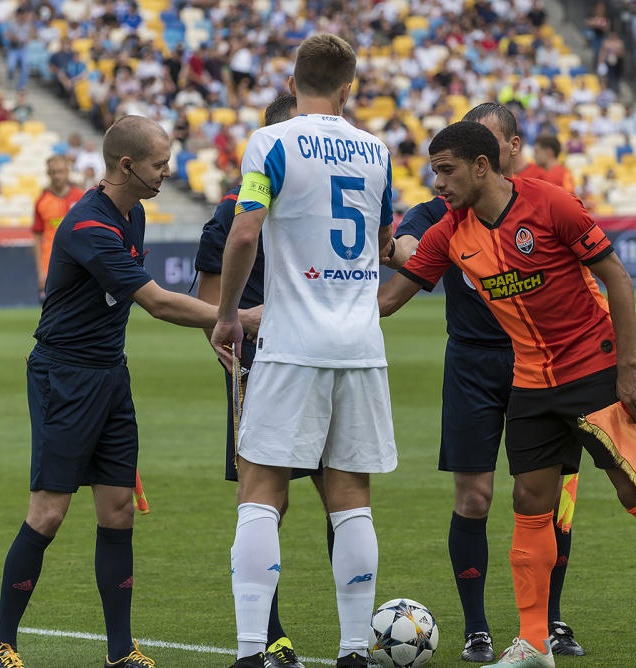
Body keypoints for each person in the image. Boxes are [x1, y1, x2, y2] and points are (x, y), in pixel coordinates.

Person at [378, 121, 636, 668]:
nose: (437, 183)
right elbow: (387, 302)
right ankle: (534, 642)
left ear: (481, 166)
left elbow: (618, 278)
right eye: (434, 171)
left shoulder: (551, 204)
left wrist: (627, 368)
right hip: (531, 382)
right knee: (530, 503)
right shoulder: (448, 233)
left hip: (595, 370)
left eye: (446, 170)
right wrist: (294, 316)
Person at [0, 115, 261, 668]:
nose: (168, 172)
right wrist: (238, 317)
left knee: (118, 512)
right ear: (127, 165)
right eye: (160, 164)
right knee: (49, 513)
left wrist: (222, 322)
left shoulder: (133, 214)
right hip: (65, 377)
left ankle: (120, 653)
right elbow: (157, 302)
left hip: (111, 374)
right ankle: (3, 646)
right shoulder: (89, 225)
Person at [210, 34, 396, 668]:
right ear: (349, 88)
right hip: (361, 345)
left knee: (261, 491)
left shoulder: (271, 142)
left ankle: (250, 650)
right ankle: (354, 650)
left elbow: (244, 234)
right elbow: (384, 240)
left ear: (292, 84)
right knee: (351, 499)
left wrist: (228, 315)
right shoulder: (376, 151)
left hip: (292, 341)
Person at [385, 103, 584, 662]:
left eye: (491, 144)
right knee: (474, 496)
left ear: (508, 150)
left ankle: (549, 621)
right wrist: (408, 250)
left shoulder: (544, 203)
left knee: (549, 499)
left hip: (539, 363)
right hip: (471, 364)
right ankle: (477, 628)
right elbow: (408, 248)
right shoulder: (440, 209)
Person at [195, 94, 328, 668]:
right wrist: (236, 333)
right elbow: (209, 307)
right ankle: (270, 636)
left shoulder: (319, 201)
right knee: (269, 502)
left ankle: (351, 638)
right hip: (259, 370)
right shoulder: (232, 211)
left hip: (323, 360)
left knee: (339, 493)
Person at [32, 155, 84, 302]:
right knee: (52, 308)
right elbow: (37, 237)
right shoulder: (41, 202)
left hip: (79, 263)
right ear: (48, 173)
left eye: (60, 171)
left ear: (67, 172)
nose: (57, 176)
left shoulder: (81, 198)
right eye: (53, 172)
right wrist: (40, 271)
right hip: (50, 264)